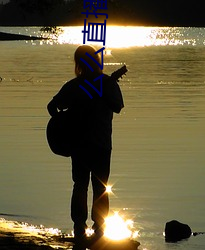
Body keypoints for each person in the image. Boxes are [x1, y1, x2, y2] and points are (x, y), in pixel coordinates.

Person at [47, 45, 124, 244]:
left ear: (79, 64)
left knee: (81, 185)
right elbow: (117, 107)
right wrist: (64, 122)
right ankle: (96, 229)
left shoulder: (76, 85)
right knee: (98, 187)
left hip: (82, 145)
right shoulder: (102, 84)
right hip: (99, 144)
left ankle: (81, 228)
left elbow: (51, 106)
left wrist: (64, 121)